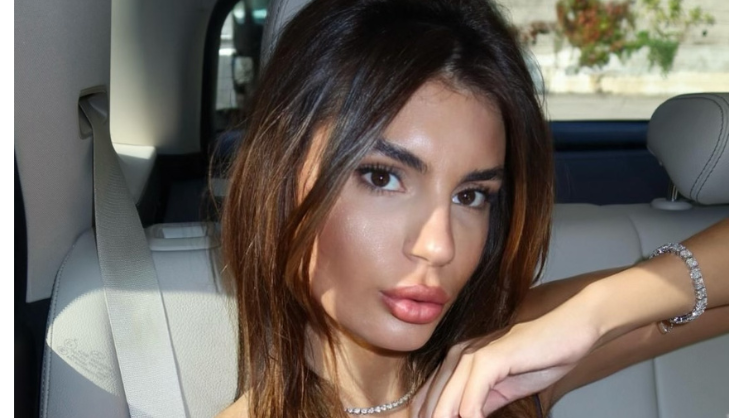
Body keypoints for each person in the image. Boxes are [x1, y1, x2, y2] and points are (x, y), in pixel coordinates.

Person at [215, 0, 729, 416]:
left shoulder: (505, 359)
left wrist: (592, 316)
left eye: (471, 196)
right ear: (281, 177)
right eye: (382, 177)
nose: (438, 246)